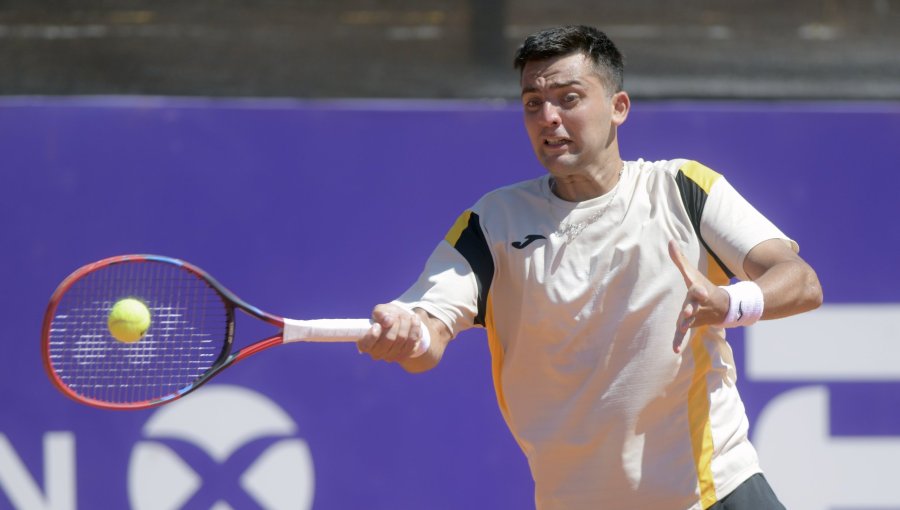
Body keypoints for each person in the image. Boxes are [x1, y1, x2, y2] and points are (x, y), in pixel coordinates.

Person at [357, 25, 822, 510]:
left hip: (714, 492)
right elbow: (427, 337)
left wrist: (729, 302)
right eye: (533, 103)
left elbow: (801, 282)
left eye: (568, 98)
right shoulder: (493, 222)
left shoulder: (682, 189)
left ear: (618, 107)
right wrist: (407, 336)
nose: (549, 118)